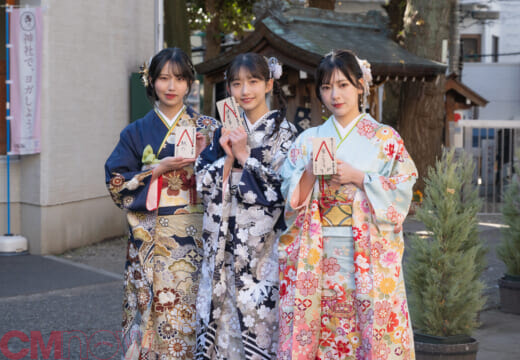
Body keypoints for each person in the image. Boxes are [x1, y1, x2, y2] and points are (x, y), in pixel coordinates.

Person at [278, 49, 418, 359]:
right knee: (322, 334)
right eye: (326, 87)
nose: (334, 95)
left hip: (367, 257)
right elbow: (290, 198)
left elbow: (403, 186)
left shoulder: (385, 139)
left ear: (359, 86)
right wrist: (310, 173)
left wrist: (359, 177)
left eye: (342, 85)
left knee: (366, 335)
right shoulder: (307, 140)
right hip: (318, 255)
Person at [105, 47, 218, 359]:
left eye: (179, 79)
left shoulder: (207, 128)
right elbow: (116, 181)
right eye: (164, 78)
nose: (171, 87)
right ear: (151, 81)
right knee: (153, 316)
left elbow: (226, 179)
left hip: (197, 238)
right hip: (150, 239)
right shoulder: (136, 131)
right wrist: (155, 171)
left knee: (196, 314)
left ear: (189, 84)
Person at [195, 53, 297, 359]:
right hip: (221, 256)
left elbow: (285, 194)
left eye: (253, 81)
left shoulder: (286, 135)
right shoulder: (221, 133)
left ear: (268, 84)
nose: (245, 91)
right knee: (221, 337)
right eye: (237, 84)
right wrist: (227, 156)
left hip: (261, 254)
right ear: (229, 89)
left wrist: (243, 158)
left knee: (260, 332)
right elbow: (202, 182)